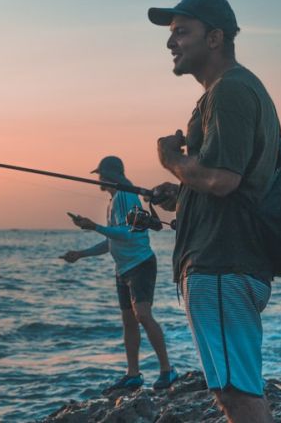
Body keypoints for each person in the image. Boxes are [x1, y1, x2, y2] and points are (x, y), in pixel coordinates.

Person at [148, 0, 279, 423]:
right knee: (236, 389)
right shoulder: (231, 92)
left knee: (237, 395)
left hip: (223, 263)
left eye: (181, 32)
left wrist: (171, 160)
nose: (171, 43)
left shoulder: (231, 91)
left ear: (215, 38)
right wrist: (183, 191)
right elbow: (232, 180)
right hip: (226, 263)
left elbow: (223, 180)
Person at [60, 156, 178, 392]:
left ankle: (168, 370)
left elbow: (128, 233)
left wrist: (94, 226)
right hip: (122, 269)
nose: (99, 180)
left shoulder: (126, 195)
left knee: (143, 315)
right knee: (129, 322)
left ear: (110, 175)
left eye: (101, 176)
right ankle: (133, 374)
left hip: (140, 264)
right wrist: (80, 254)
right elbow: (112, 240)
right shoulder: (113, 200)